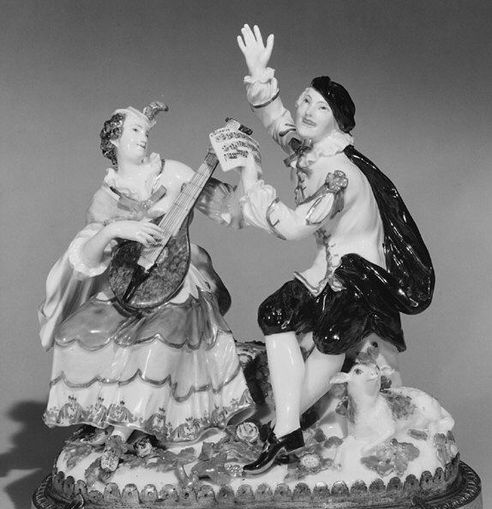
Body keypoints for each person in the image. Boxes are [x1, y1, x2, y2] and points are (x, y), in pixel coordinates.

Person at [235, 25, 435, 473]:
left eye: (320, 107)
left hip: (359, 279)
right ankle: (287, 425)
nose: (307, 110)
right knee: (274, 315)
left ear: (337, 123)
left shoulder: (338, 177)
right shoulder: (311, 149)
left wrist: (252, 179)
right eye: (306, 100)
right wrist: (260, 74)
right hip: (325, 270)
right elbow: (278, 125)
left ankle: (284, 428)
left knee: (330, 338)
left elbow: (291, 226)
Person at [39, 102, 252, 471]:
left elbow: (231, 213)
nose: (143, 137)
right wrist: (116, 229)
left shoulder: (174, 173)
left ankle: (125, 430)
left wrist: (247, 171)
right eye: (134, 130)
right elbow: (86, 256)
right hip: (130, 284)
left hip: (176, 282)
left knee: (157, 340)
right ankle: (108, 418)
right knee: (72, 335)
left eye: (145, 130)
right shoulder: (107, 196)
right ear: (114, 141)